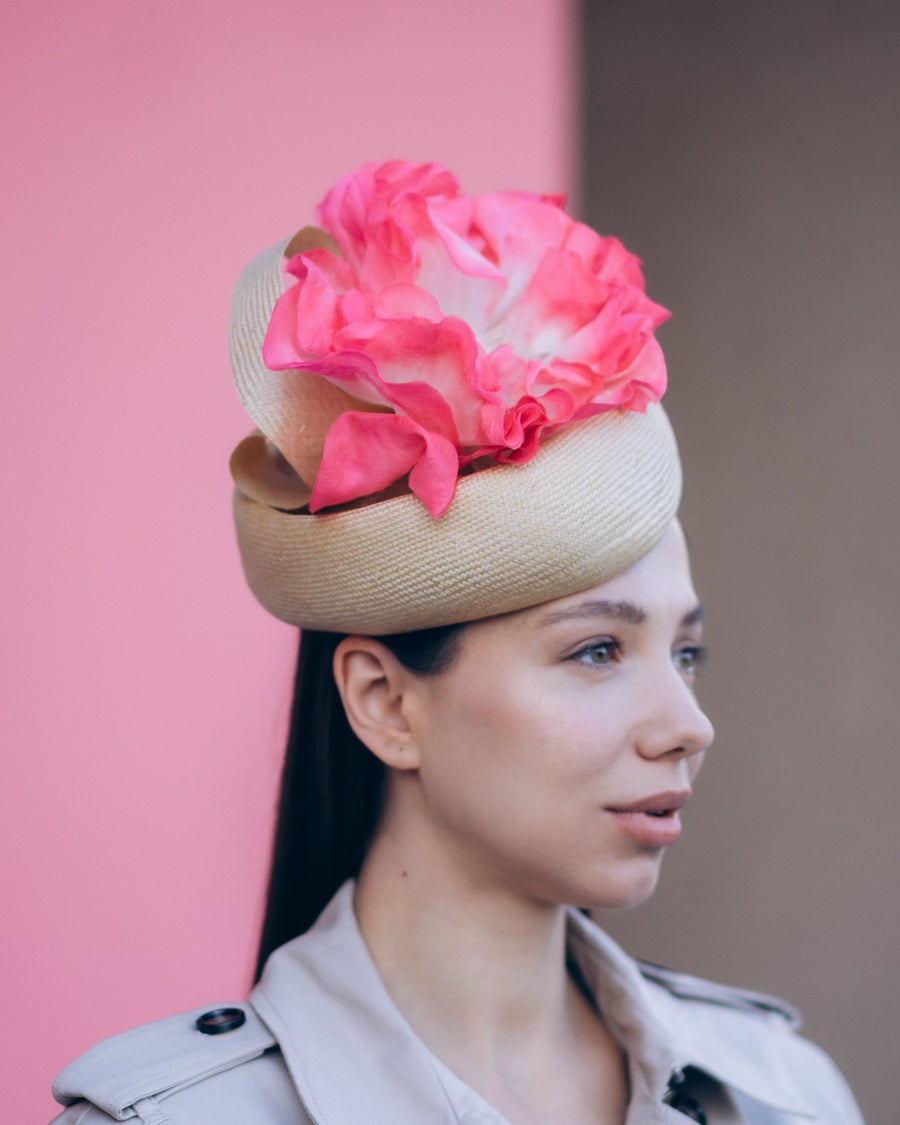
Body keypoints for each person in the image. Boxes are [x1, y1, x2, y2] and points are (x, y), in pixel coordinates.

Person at [50, 161, 864, 1124]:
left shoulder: (785, 1095)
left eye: (686, 653)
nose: (689, 726)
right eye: (597, 650)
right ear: (385, 703)